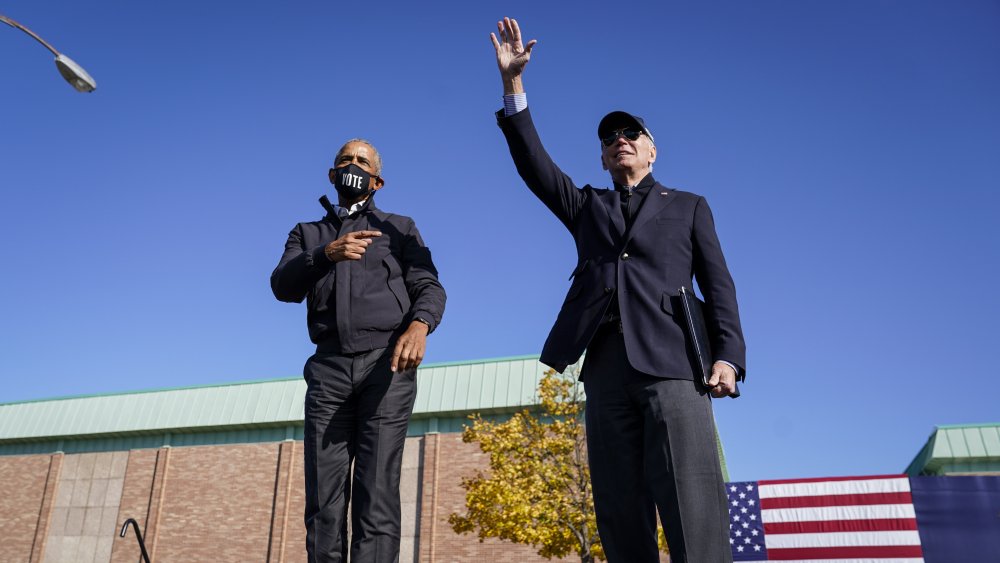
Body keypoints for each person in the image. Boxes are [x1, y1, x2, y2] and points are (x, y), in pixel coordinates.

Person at [490, 18, 747, 563]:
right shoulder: (588, 207)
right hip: (605, 365)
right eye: (609, 138)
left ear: (653, 150)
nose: (619, 141)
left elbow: (718, 283)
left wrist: (729, 355)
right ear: (603, 157)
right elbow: (535, 166)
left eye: (631, 134)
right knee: (618, 505)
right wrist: (514, 88)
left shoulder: (689, 206)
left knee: (692, 501)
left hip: (675, 365)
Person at [271, 138, 446, 563]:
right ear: (332, 175)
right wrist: (324, 255)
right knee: (324, 499)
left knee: (376, 490)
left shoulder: (399, 228)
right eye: (345, 160)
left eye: (362, 161)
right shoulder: (307, 234)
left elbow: (429, 286)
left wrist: (419, 327)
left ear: (377, 181)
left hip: (386, 366)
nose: (353, 165)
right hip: (328, 369)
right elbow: (282, 286)